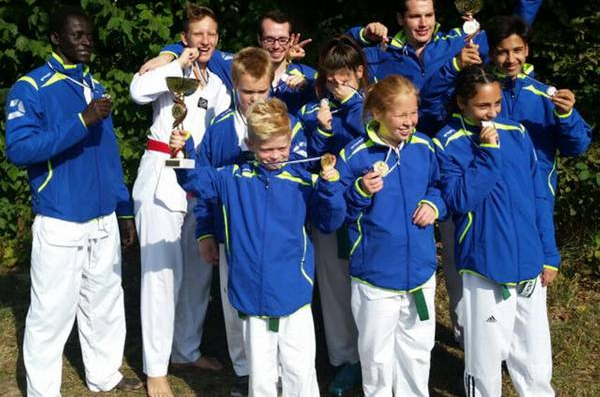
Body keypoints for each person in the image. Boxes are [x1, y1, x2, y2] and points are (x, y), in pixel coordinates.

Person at [4, 6, 142, 396]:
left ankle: (104, 375)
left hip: (102, 217)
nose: (85, 42)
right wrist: (81, 121)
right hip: (61, 217)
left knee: (105, 302)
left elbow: (109, 154)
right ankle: (43, 390)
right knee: (51, 312)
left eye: (89, 36)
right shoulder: (31, 88)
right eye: (77, 35)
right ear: (56, 38)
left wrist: (124, 207)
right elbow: (20, 149)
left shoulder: (95, 87)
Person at [170, 98, 346, 397]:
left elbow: (330, 221)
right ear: (250, 143)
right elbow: (194, 180)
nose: (275, 156)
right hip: (251, 292)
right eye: (266, 149)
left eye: (281, 148)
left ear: (291, 141)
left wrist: (330, 189)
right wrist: (184, 150)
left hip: (294, 291)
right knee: (261, 375)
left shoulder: (303, 181)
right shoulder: (232, 177)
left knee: (299, 369)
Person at [434, 65, 559, 396]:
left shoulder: (516, 131)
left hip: (530, 260)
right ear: (462, 102)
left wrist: (549, 253)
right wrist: (488, 156)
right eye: (483, 106)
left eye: (497, 104)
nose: (492, 113)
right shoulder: (448, 142)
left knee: (533, 352)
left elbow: (537, 196)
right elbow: (459, 200)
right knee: (485, 356)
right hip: (485, 264)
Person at [193, 47, 307, 397]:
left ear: (272, 86)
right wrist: (206, 231)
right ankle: (249, 374)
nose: (255, 99)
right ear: (234, 88)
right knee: (236, 308)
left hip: (280, 241)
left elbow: (301, 181)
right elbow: (204, 186)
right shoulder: (220, 128)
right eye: (248, 92)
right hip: (235, 237)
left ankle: (287, 378)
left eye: (262, 91)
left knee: (286, 314)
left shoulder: (290, 126)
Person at [130, 4, 231, 397]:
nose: (204, 40)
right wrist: (175, 57)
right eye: (197, 34)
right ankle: (155, 368)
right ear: (185, 37)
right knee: (161, 274)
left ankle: (185, 350)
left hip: (197, 177)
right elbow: (138, 91)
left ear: (217, 38)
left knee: (197, 272)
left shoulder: (218, 84)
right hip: (161, 171)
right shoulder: (170, 70)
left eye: (211, 34)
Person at [336, 75, 447, 396]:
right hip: (375, 277)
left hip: (420, 272)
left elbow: (439, 186)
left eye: (414, 113)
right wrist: (359, 191)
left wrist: (434, 204)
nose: (410, 121)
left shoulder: (425, 147)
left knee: (417, 350)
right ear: (378, 113)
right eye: (401, 114)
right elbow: (333, 212)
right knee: (377, 357)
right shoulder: (355, 155)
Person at [347, 0, 546, 133]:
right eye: (415, 16)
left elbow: (512, 31)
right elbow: (338, 52)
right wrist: (362, 35)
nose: (424, 23)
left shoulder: (458, 42)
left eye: (429, 15)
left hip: (454, 140)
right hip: (406, 144)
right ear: (400, 19)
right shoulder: (382, 53)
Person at [297, 35, 366, 396]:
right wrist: (323, 130)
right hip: (327, 205)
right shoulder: (315, 110)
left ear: (358, 72)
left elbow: (369, 130)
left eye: (345, 76)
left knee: (368, 286)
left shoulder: (370, 103)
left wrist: (352, 102)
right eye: (331, 77)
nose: (337, 84)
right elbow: (311, 155)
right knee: (334, 284)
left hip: (366, 209)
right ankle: (344, 358)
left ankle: (372, 355)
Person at [139, 9, 316, 115]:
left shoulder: (307, 75)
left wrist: (308, 86)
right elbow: (197, 46)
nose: (276, 46)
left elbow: (331, 93)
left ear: (291, 39)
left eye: (282, 39)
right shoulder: (237, 65)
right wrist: (168, 55)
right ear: (259, 40)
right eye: (269, 39)